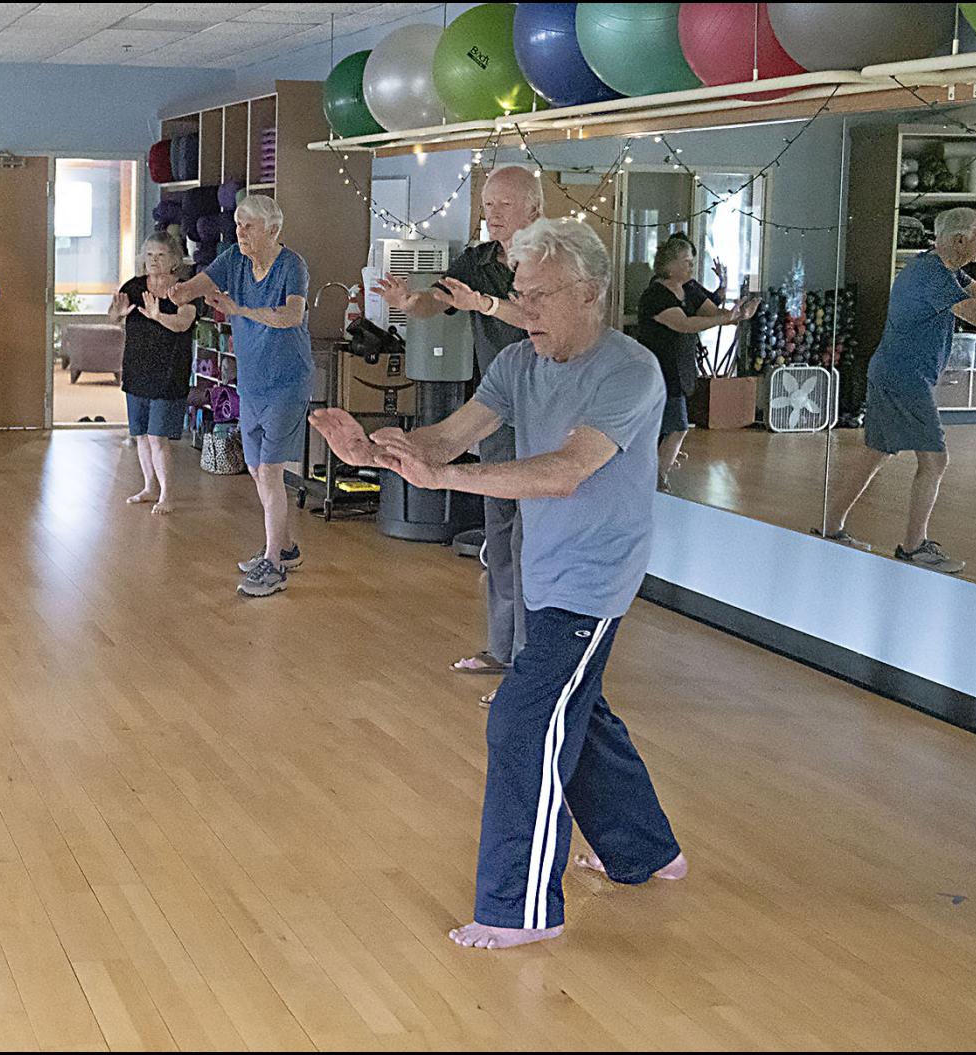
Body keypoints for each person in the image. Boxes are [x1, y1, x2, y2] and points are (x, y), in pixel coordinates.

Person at [312, 219, 685, 951]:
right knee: (581, 707)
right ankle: (646, 849)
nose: (526, 310)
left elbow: (565, 470)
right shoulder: (519, 363)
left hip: (596, 573)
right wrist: (378, 447)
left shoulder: (629, 370)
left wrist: (444, 475)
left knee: (524, 720)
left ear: (591, 293)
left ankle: (521, 908)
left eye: (541, 296)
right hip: (548, 565)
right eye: (519, 295)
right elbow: (446, 438)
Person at [374, 165, 541, 686]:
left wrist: (488, 305)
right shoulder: (477, 259)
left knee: (533, 539)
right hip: (495, 409)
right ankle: (501, 648)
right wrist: (408, 303)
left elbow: (541, 319)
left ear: (533, 208)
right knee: (502, 529)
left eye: (503, 206)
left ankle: (531, 659)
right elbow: (438, 301)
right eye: (488, 205)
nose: (492, 215)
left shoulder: (553, 257)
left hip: (553, 408)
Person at [819, 207, 976, 572]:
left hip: (892, 372)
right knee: (935, 460)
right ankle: (913, 547)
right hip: (905, 378)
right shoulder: (933, 276)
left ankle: (830, 528)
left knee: (875, 453)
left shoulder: (940, 267)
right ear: (959, 240)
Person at [168, 194, 312, 597]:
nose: (239, 231)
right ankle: (285, 547)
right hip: (251, 383)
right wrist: (181, 291)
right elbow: (203, 283)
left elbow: (292, 316)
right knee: (255, 470)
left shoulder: (291, 266)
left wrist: (239, 310)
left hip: (287, 382)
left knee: (269, 472)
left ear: (272, 230)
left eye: (248, 225)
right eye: (237, 223)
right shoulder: (234, 258)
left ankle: (273, 565)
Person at [635, 234, 756, 491]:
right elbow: (685, 324)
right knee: (677, 426)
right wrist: (726, 319)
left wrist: (738, 315)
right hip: (657, 369)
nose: (691, 266)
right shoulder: (655, 295)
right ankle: (657, 477)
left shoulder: (688, 288)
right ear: (669, 265)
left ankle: (654, 472)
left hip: (679, 368)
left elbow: (713, 312)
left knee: (665, 426)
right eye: (686, 261)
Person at [109, 232, 202, 514]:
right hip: (137, 370)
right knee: (141, 435)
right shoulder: (134, 287)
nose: (153, 260)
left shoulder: (184, 289)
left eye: (160, 255)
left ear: (174, 260)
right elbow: (113, 316)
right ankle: (149, 486)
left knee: (158, 437)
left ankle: (167, 495)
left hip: (169, 373)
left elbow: (183, 324)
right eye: (149, 255)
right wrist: (119, 314)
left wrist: (158, 315)